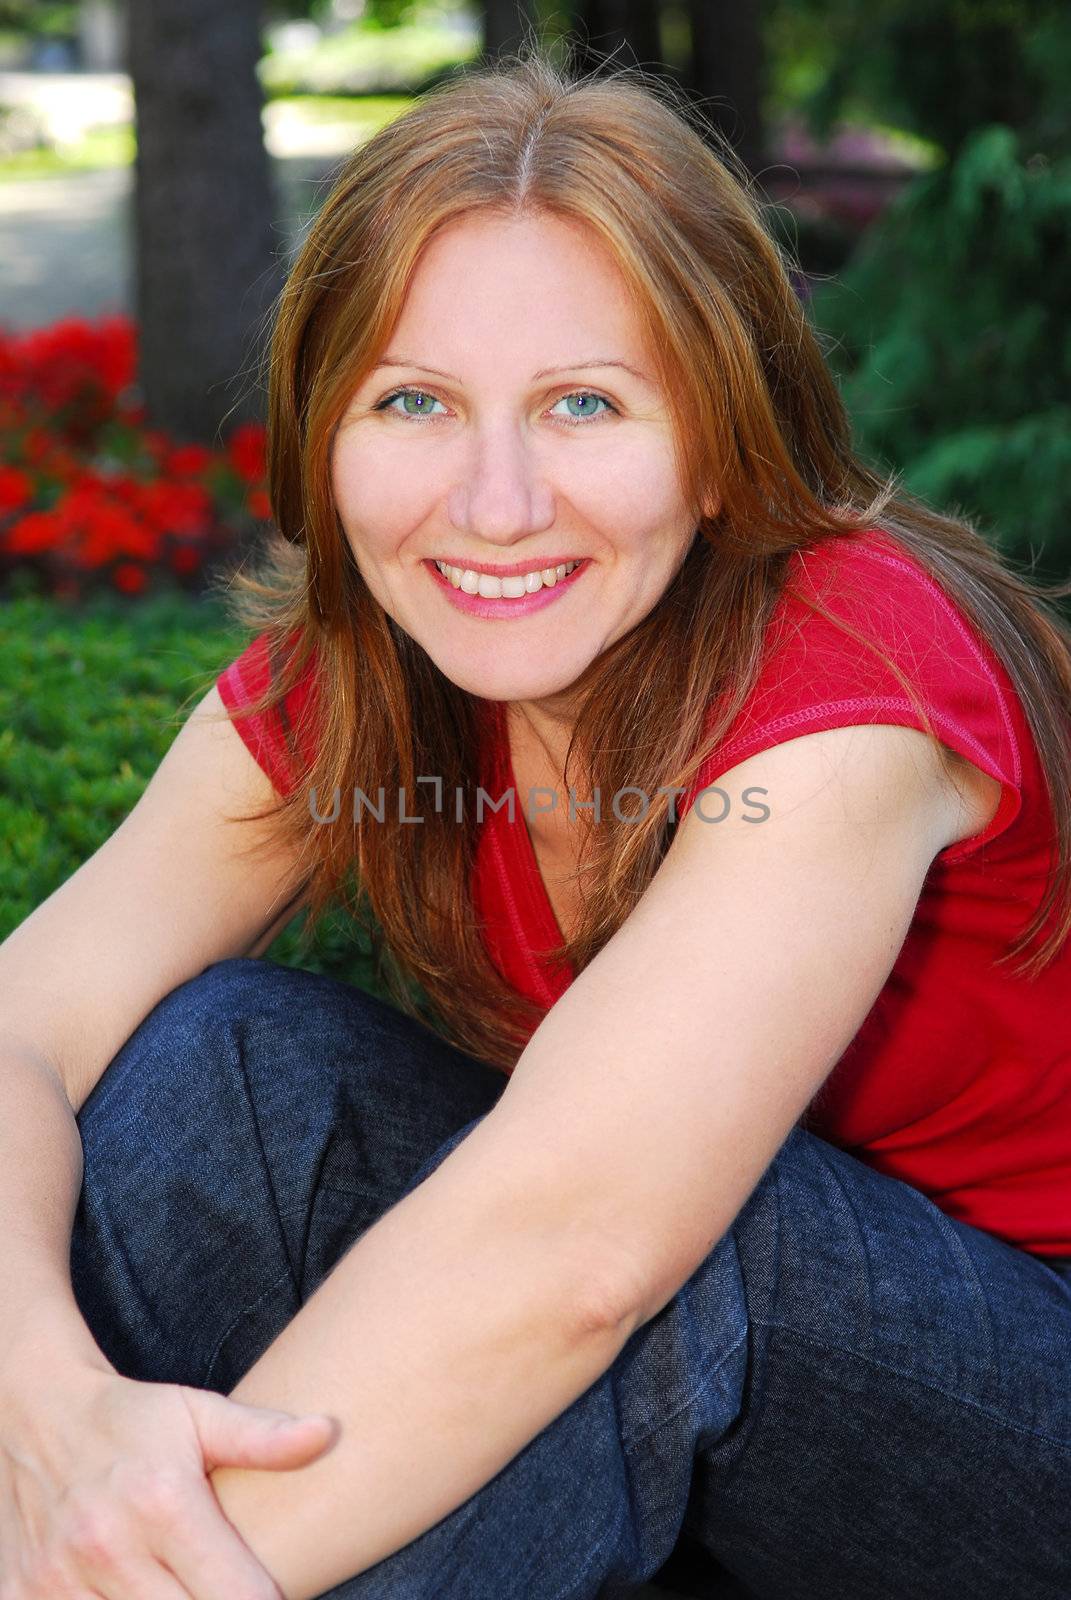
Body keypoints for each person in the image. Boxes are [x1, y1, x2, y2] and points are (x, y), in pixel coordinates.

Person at [1, 42, 1070, 1600]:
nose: (494, 505)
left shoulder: (861, 666)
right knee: (224, 1062)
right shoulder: (364, 680)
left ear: (718, 440)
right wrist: (50, 1415)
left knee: (685, 1231)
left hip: (1018, 1404)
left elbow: (581, 1245)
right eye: (416, 402)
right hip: (725, 1392)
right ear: (325, 433)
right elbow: (19, 1027)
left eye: (584, 403)